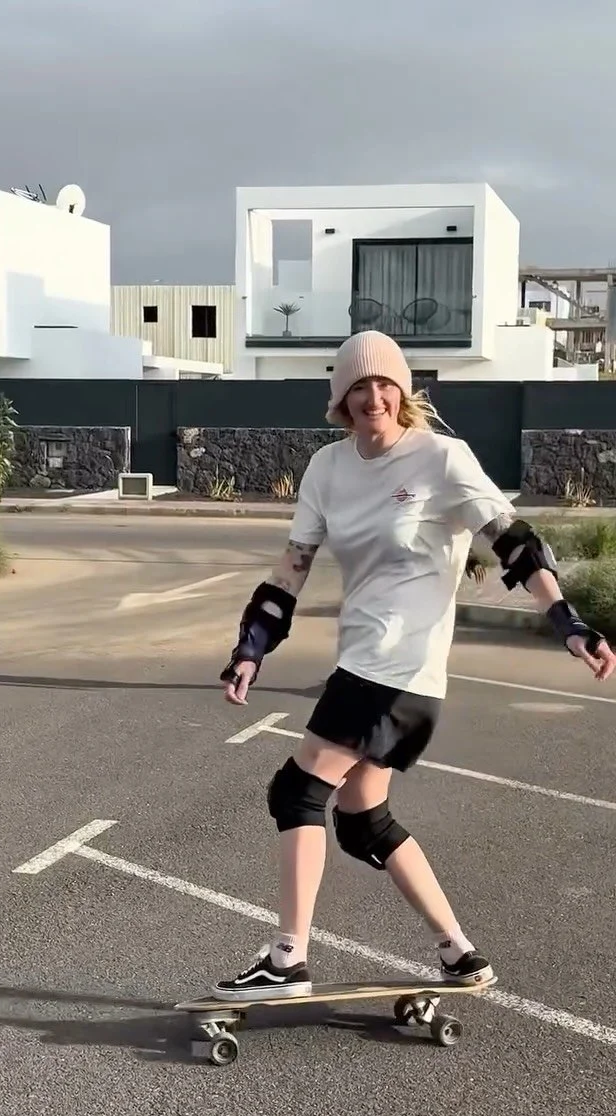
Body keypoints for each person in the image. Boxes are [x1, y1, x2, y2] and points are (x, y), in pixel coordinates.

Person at [212, 330, 615, 1001]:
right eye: (359, 386)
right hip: (366, 662)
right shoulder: (327, 469)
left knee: (297, 792)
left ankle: (287, 960)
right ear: (341, 399)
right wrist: (251, 648)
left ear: (403, 392)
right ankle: (459, 952)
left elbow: (514, 543)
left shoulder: (441, 458)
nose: (373, 396)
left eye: (386, 384)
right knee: (361, 820)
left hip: (400, 667)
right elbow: (292, 569)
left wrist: (566, 622)